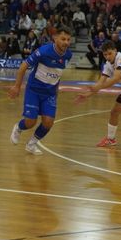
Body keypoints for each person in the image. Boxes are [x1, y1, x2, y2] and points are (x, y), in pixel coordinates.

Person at [8, 26, 73, 155]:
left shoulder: (68, 55)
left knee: (48, 123)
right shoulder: (43, 51)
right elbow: (23, 67)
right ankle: (18, 128)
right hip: (34, 90)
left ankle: (31, 144)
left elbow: (57, 74)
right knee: (30, 122)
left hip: (49, 94)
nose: (66, 42)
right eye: (63, 39)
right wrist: (16, 86)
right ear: (55, 38)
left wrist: (56, 92)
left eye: (68, 40)